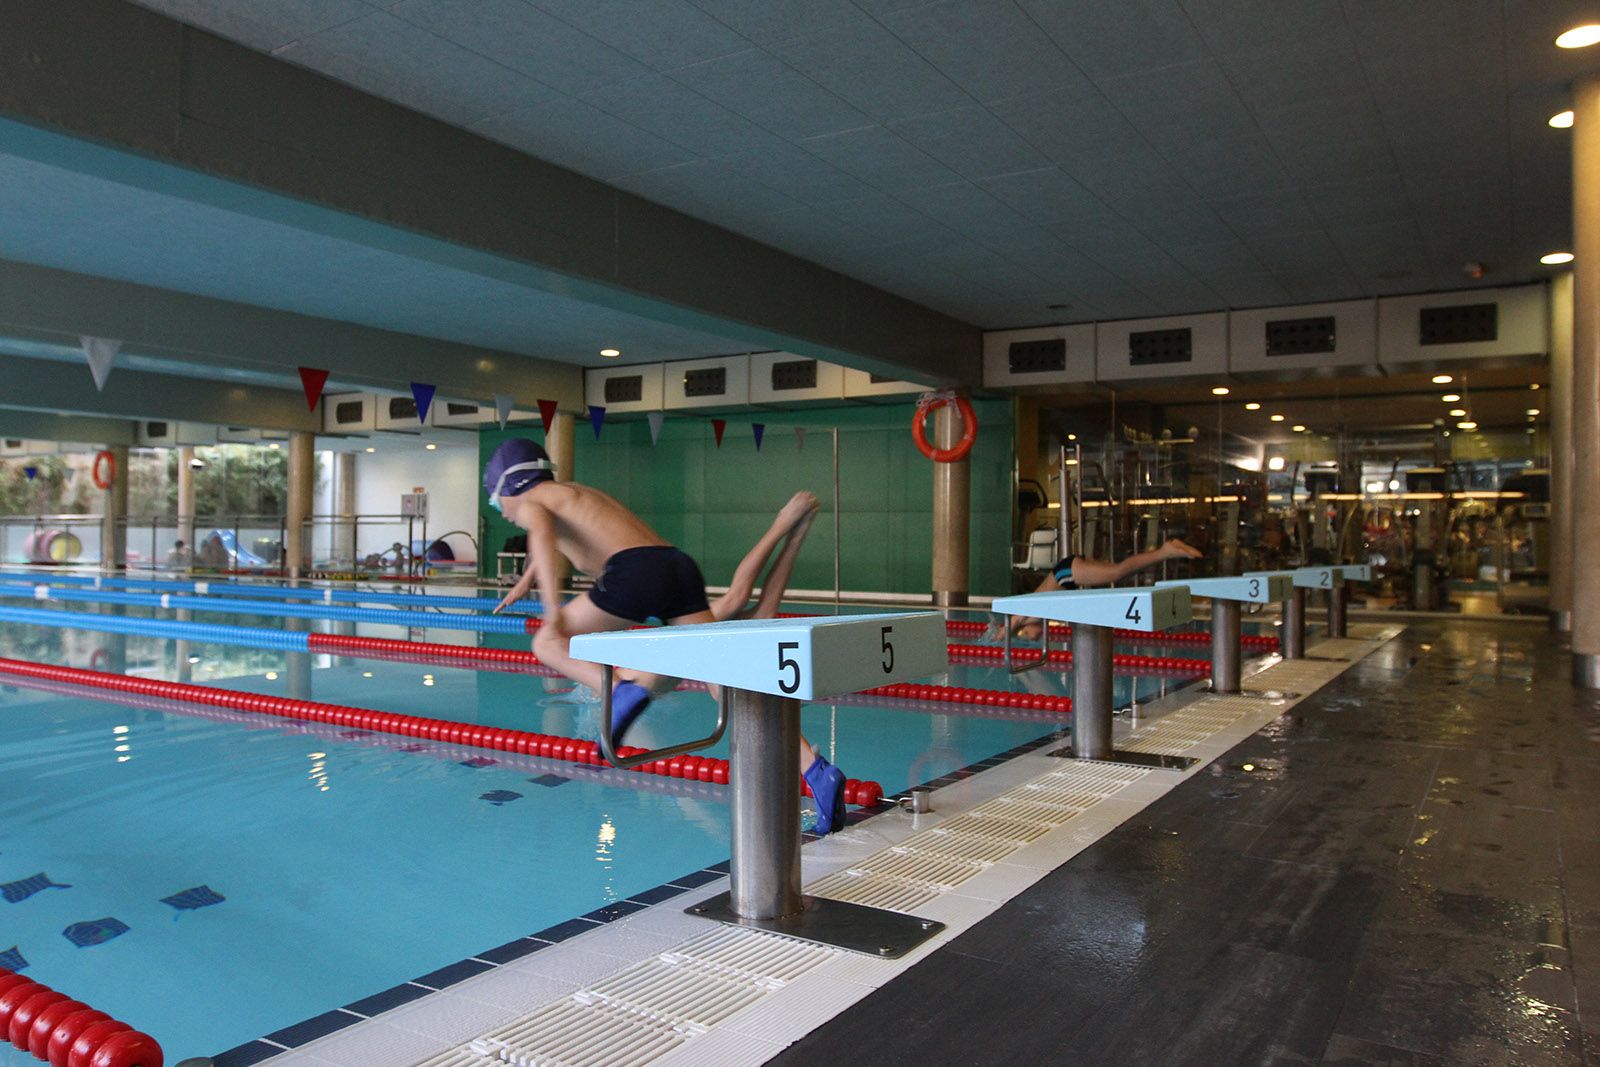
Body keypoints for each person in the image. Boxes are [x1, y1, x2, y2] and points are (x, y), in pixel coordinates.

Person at [486, 439, 851, 833]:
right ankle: (816, 772)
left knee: (545, 642)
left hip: (633, 572)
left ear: (510, 485)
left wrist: (551, 609)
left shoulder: (531, 501)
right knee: (726, 685)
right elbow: (552, 535)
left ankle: (619, 690)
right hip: (676, 567)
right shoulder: (568, 493)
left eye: (495, 502)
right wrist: (525, 581)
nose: (503, 514)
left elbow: (540, 532)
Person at [998, 538, 1203, 640]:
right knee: (1117, 571)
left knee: (1117, 572)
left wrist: (996, 637)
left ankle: (1165, 551)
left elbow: (1004, 631)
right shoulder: (1036, 615)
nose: (1035, 637)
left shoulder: (1022, 614)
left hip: (1065, 574)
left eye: (1028, 635)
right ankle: (1166, 551)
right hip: (1066, 573)